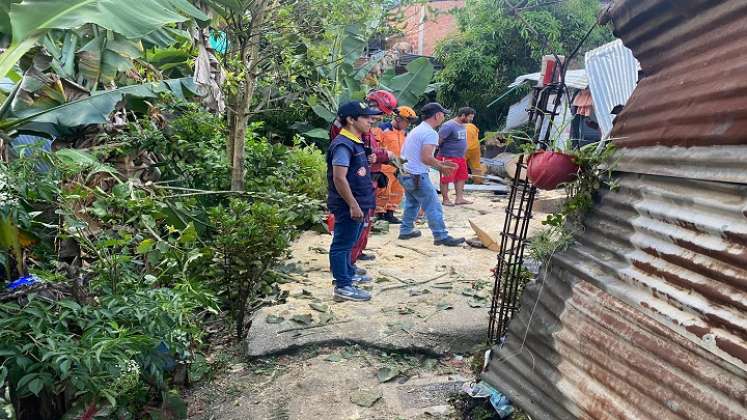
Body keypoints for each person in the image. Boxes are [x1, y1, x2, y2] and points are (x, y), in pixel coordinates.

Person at [326, 101, 382, 302]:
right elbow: (339, 178)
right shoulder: (342, 144)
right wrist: (352, 204)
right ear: (351, 120)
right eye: (366, 117)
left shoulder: (355, 142)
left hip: (360, 201)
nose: (371, 120)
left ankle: (348, 273)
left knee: (351, 242)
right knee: (342, 244)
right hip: (348, 205)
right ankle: (343, 286)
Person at [398, 103, 465, 247]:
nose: (443, 117)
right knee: (433, 205)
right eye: (443, 114)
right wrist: (441, 166)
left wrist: (440, 165)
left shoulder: (417, 130)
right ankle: (441, 235)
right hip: (417, 175)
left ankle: (406, 230)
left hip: (406, 172)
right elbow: (426, 157)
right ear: (437, 115)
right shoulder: (430, 133)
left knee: (412, 203)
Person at [374, 106, 417, 224]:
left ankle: (390, 213)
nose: (407, 124)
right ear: (398, 119)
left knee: (398, 191)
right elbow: (376, 148)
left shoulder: (405, 133)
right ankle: (379, 214)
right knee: (383, 191)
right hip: (385, 167)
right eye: (407, 121)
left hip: (400, 166)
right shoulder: (381, 129)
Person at [437, 107, 476, 205]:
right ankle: (445, 199)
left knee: (461, 177)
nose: (471, 120)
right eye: (470, 117)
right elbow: (438, 141)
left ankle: (459, 198)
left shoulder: (463, 125)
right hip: (448, 157)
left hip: (460, 157)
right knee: (445, 179)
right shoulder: (448, 126)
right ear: (463, 115)